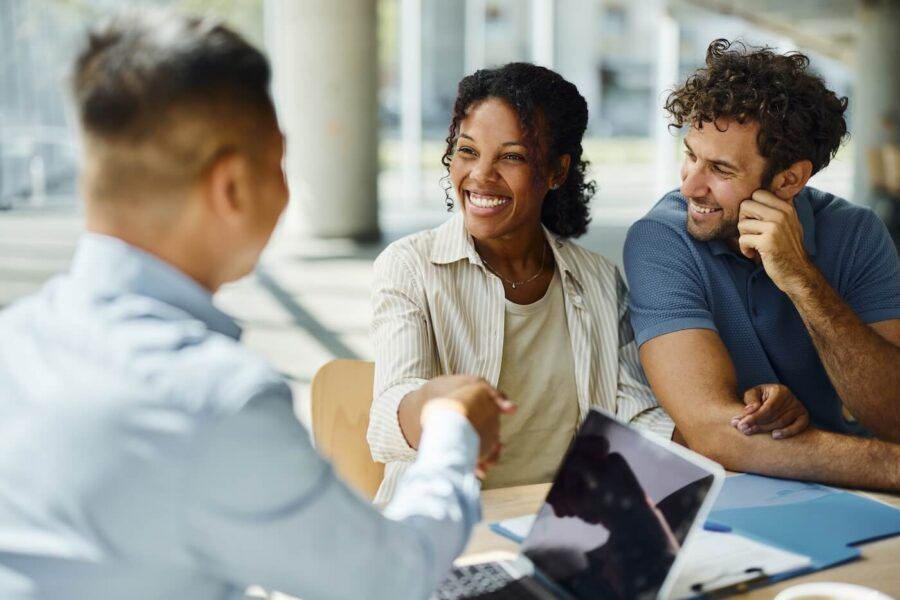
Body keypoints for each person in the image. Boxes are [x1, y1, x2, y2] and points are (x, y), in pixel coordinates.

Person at [0, 10, 514, 599]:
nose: (288, 188)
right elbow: (391, 579)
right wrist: (451, 428)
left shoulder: (14, 339)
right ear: (232, 188)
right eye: (279, 161)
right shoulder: (214, 400)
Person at [368, 63, 672, 506]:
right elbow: (385, 418)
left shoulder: (599, 280)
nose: (480, 176)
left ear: (556, 171)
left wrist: (728, 432)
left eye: (511, 156)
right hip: (446, 529)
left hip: (567, 529)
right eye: (468, 151)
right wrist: (436, 405)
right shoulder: (410, 267)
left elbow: (634, 414)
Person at [624, 39, 900, 490]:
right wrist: (892, 467)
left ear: (790, 179)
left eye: (721, 170)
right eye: (691, 155)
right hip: (743, 492)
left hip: (862, 495)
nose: (691, 186)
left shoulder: (856, 234)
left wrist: (802, 280)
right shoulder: (660, 239)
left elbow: (893, 416)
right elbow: (714, 433)